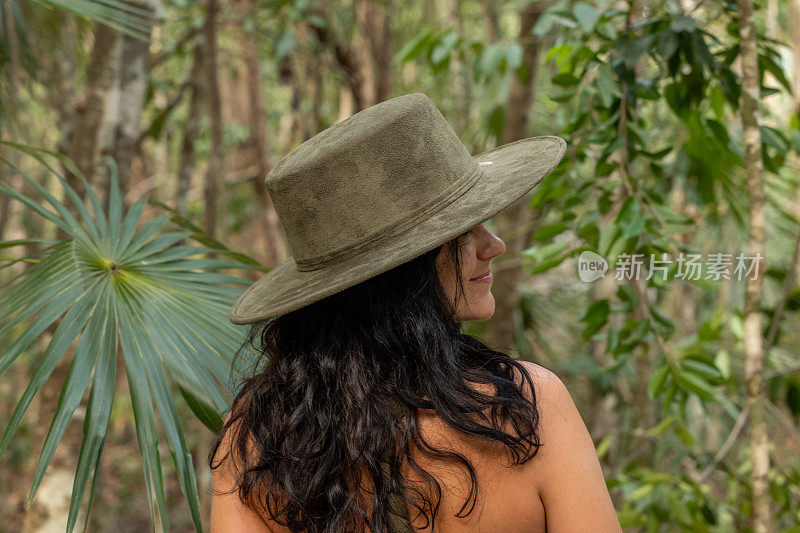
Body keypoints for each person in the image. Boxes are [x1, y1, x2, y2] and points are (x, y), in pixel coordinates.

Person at [208, 93, 621, 532]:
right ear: (403, 270)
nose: (493, 246)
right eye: (463, 230)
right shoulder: (525, 408)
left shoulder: (258, 436)